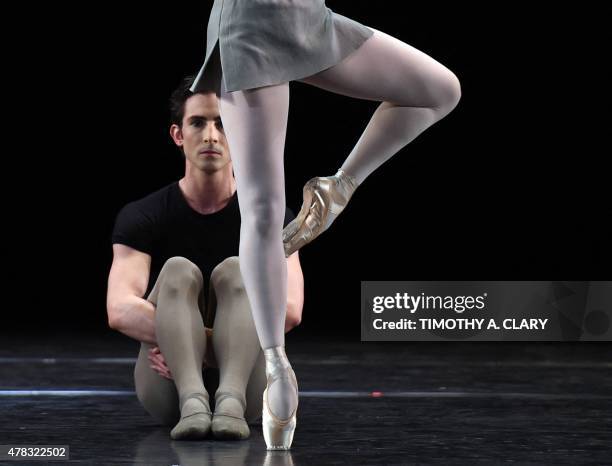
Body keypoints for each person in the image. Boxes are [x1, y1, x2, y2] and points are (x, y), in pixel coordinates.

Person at [190, 0, 461, 450]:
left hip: (307, 17)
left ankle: (338, 187)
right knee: (262, 207)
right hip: (250, 23)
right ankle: (277, 368)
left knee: (439, 88)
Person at [106, 77, 305, 441]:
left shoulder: (271, 217)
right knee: (178, 270)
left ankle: (227, 401)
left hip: (247, 384)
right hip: (167, 382)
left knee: (237, 269)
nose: (212, 135)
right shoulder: (144, 214)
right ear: (178, 135)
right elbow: (119, 308)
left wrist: (198, 343)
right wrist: (198, 343)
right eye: (198, 123)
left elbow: (290, 310)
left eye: (224, 123)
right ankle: (194, 401)